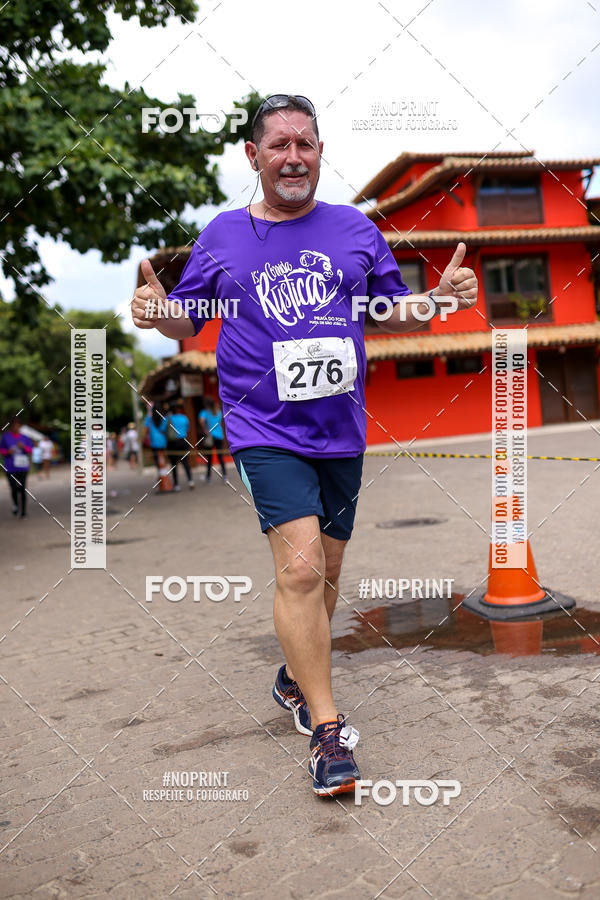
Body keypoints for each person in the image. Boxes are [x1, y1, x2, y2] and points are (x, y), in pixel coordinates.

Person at [131, 94, 478, 797]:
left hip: (340, 430)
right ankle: (327, 729)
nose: (294, 157)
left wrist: (439, 299)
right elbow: (185, 322)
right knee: (299, 567)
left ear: (320, 152)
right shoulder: (224, 235)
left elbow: (391, 312)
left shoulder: (353, 228)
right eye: (279, 145)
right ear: (253, 156)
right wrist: (157, 312)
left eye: (306, 144)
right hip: (263, 428)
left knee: (329, 567)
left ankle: (294, 676)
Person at [1, 417, 33, 517]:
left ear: (20, 426)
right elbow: (1, 450)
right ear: (11, 427)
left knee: (22, 489)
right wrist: (8, 452)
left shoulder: (25, 438)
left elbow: (30, 450)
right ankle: (15, 505)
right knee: (14, 489)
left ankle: (23, 511)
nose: (16, 427)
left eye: (18, 426)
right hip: (10, 468)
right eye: (14, 426)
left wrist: (24, 447)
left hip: (22, 468)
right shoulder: (6, 437)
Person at [166, 402, 194, 490]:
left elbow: (164, 429)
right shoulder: (184, 417)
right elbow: (187, 428)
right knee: (185, 462)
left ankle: (176, 485)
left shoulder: (168, 418)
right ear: (178, 409)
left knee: (174, 464)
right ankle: (190, 481)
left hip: (173, 443)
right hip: (184, 441)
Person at [198, 397, 227, 483]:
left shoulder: (204, 412)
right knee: (220, 456)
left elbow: (201, 421)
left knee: (209, 458)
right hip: (219, 435)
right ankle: (224, 475)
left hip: (210, 436)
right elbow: (220, 422)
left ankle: (208, 477)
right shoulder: (218, 411)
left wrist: (205, 429)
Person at [144, 404, 169, 484]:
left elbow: (146, 430)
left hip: (154, 442)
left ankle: (161, 478)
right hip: (163, 442)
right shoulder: (164, 418)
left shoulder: (149, 419)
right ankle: (164, 477)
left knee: (157, 461)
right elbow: (164, 430)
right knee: (163, 460)